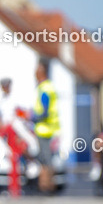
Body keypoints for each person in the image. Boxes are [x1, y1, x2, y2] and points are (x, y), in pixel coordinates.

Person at [31, 60, 59, 193]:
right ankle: (44, 185)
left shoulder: (44, 89)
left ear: (41, 72)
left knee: (46, 160)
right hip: (47, 129)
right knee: (44, 159)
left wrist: (32, 117)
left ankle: (48, 186)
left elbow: (45, 111)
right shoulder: (48, 86)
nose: (34, 74)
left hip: (45, 130)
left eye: (36, 72)